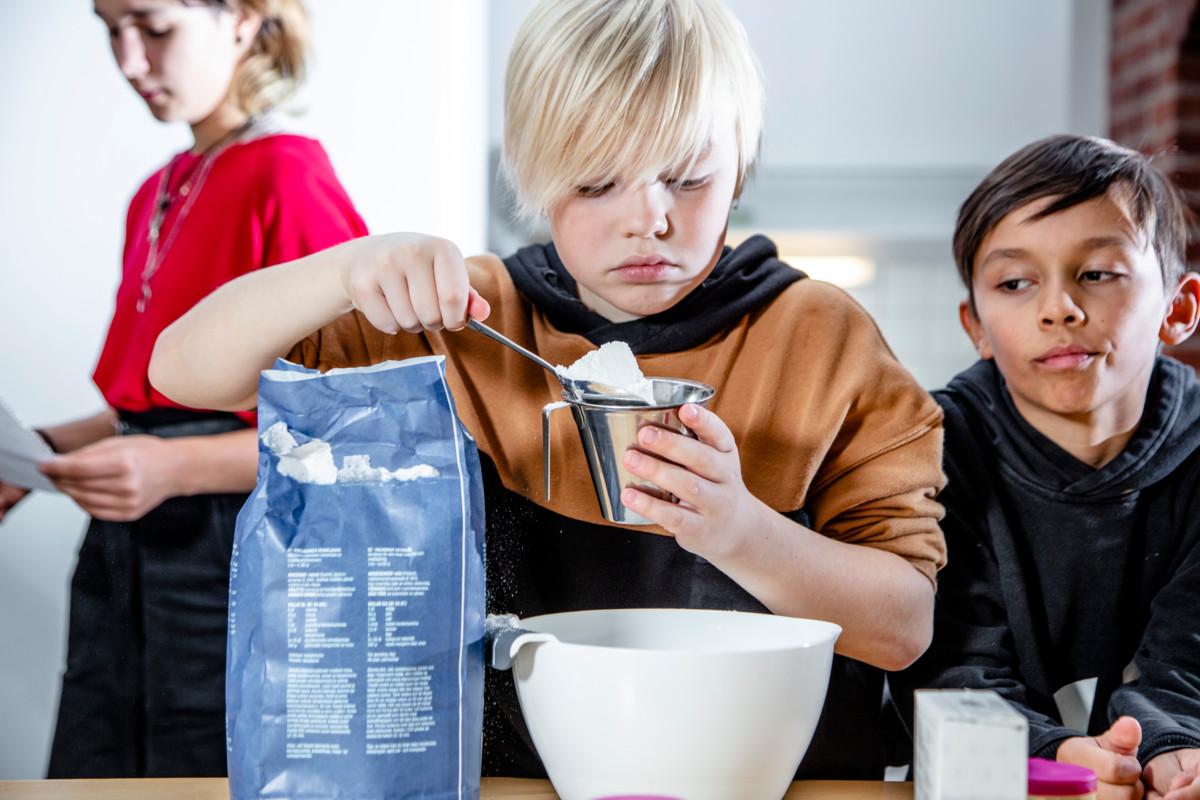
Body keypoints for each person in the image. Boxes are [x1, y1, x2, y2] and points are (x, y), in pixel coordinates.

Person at [151, 0, 946, 779]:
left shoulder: (822, 338)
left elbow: (903, 628)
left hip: (778, 779)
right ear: (532, 177)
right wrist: (345, 269)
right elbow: (183, 371)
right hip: (512, 778)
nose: (650, 221)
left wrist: (741, 531)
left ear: (740, 162)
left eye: (688, 177)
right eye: (597, 184)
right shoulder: (466, 322)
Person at [0, 0, 367, 778]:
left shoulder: (288, 175)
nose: (129, 60)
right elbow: (149, 406)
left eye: (153, 27)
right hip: (122, 544)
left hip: (226, 550)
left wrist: (174, 470)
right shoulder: (157, 190)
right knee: (95, 756)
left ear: (241, 18)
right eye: (109, 30)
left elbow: (350, 421)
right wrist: (34, 456)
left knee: (200, 768)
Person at [890, 135, 1200, 800]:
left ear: (1178, 308)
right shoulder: (931, 452)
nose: (1058, 308)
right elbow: (953, 674)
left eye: (1096, 273)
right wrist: (1057, 756)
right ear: (975, 324)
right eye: (1015, 283)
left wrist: (1174, 749)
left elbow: (1189, 665)